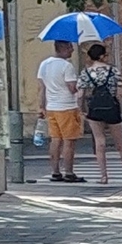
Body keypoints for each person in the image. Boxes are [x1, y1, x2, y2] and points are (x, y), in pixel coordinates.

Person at [77, 41, 122, 185]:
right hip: (112, 109)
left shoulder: (86, 72)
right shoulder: (114, 71)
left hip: (95, 109)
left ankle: (104, 176)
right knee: (121, 145)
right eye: (105, 55)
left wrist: (80, 111)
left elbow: (80, 94)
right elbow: (120, 93)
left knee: (100, 143)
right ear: (101, 56)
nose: (107, 57)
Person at [37, 38, 83, 183]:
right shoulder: (67, 66)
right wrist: (80, 87)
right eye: (69, 47)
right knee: (69, 141)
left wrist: (41, 106)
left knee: (55, 140)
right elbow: (71, 88)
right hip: (67, 106)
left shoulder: (44, 65)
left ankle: (55, 171)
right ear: (62, 48)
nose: (72, 50)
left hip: (52, 107)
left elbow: (41, 88)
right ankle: (69, 172)